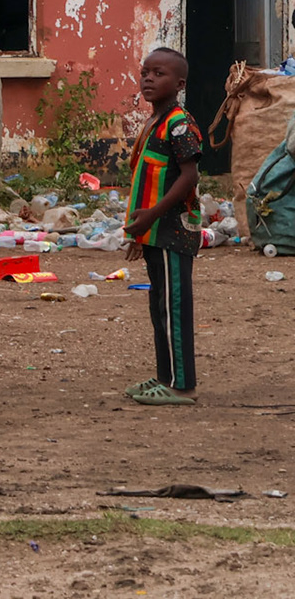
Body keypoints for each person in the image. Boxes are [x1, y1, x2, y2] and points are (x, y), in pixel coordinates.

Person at [122, 47, 202, 406]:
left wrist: (153, 214)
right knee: (160, 307)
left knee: (174, 308)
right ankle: (165, 377)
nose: (149, 79)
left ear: (180, 84)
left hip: (172, 232)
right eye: (145, 73)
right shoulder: (155, 121)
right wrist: (140, 231)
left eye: (159, 74)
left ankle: (182, 386)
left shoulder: (179, 123)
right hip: (154, 232)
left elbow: (189, 176)